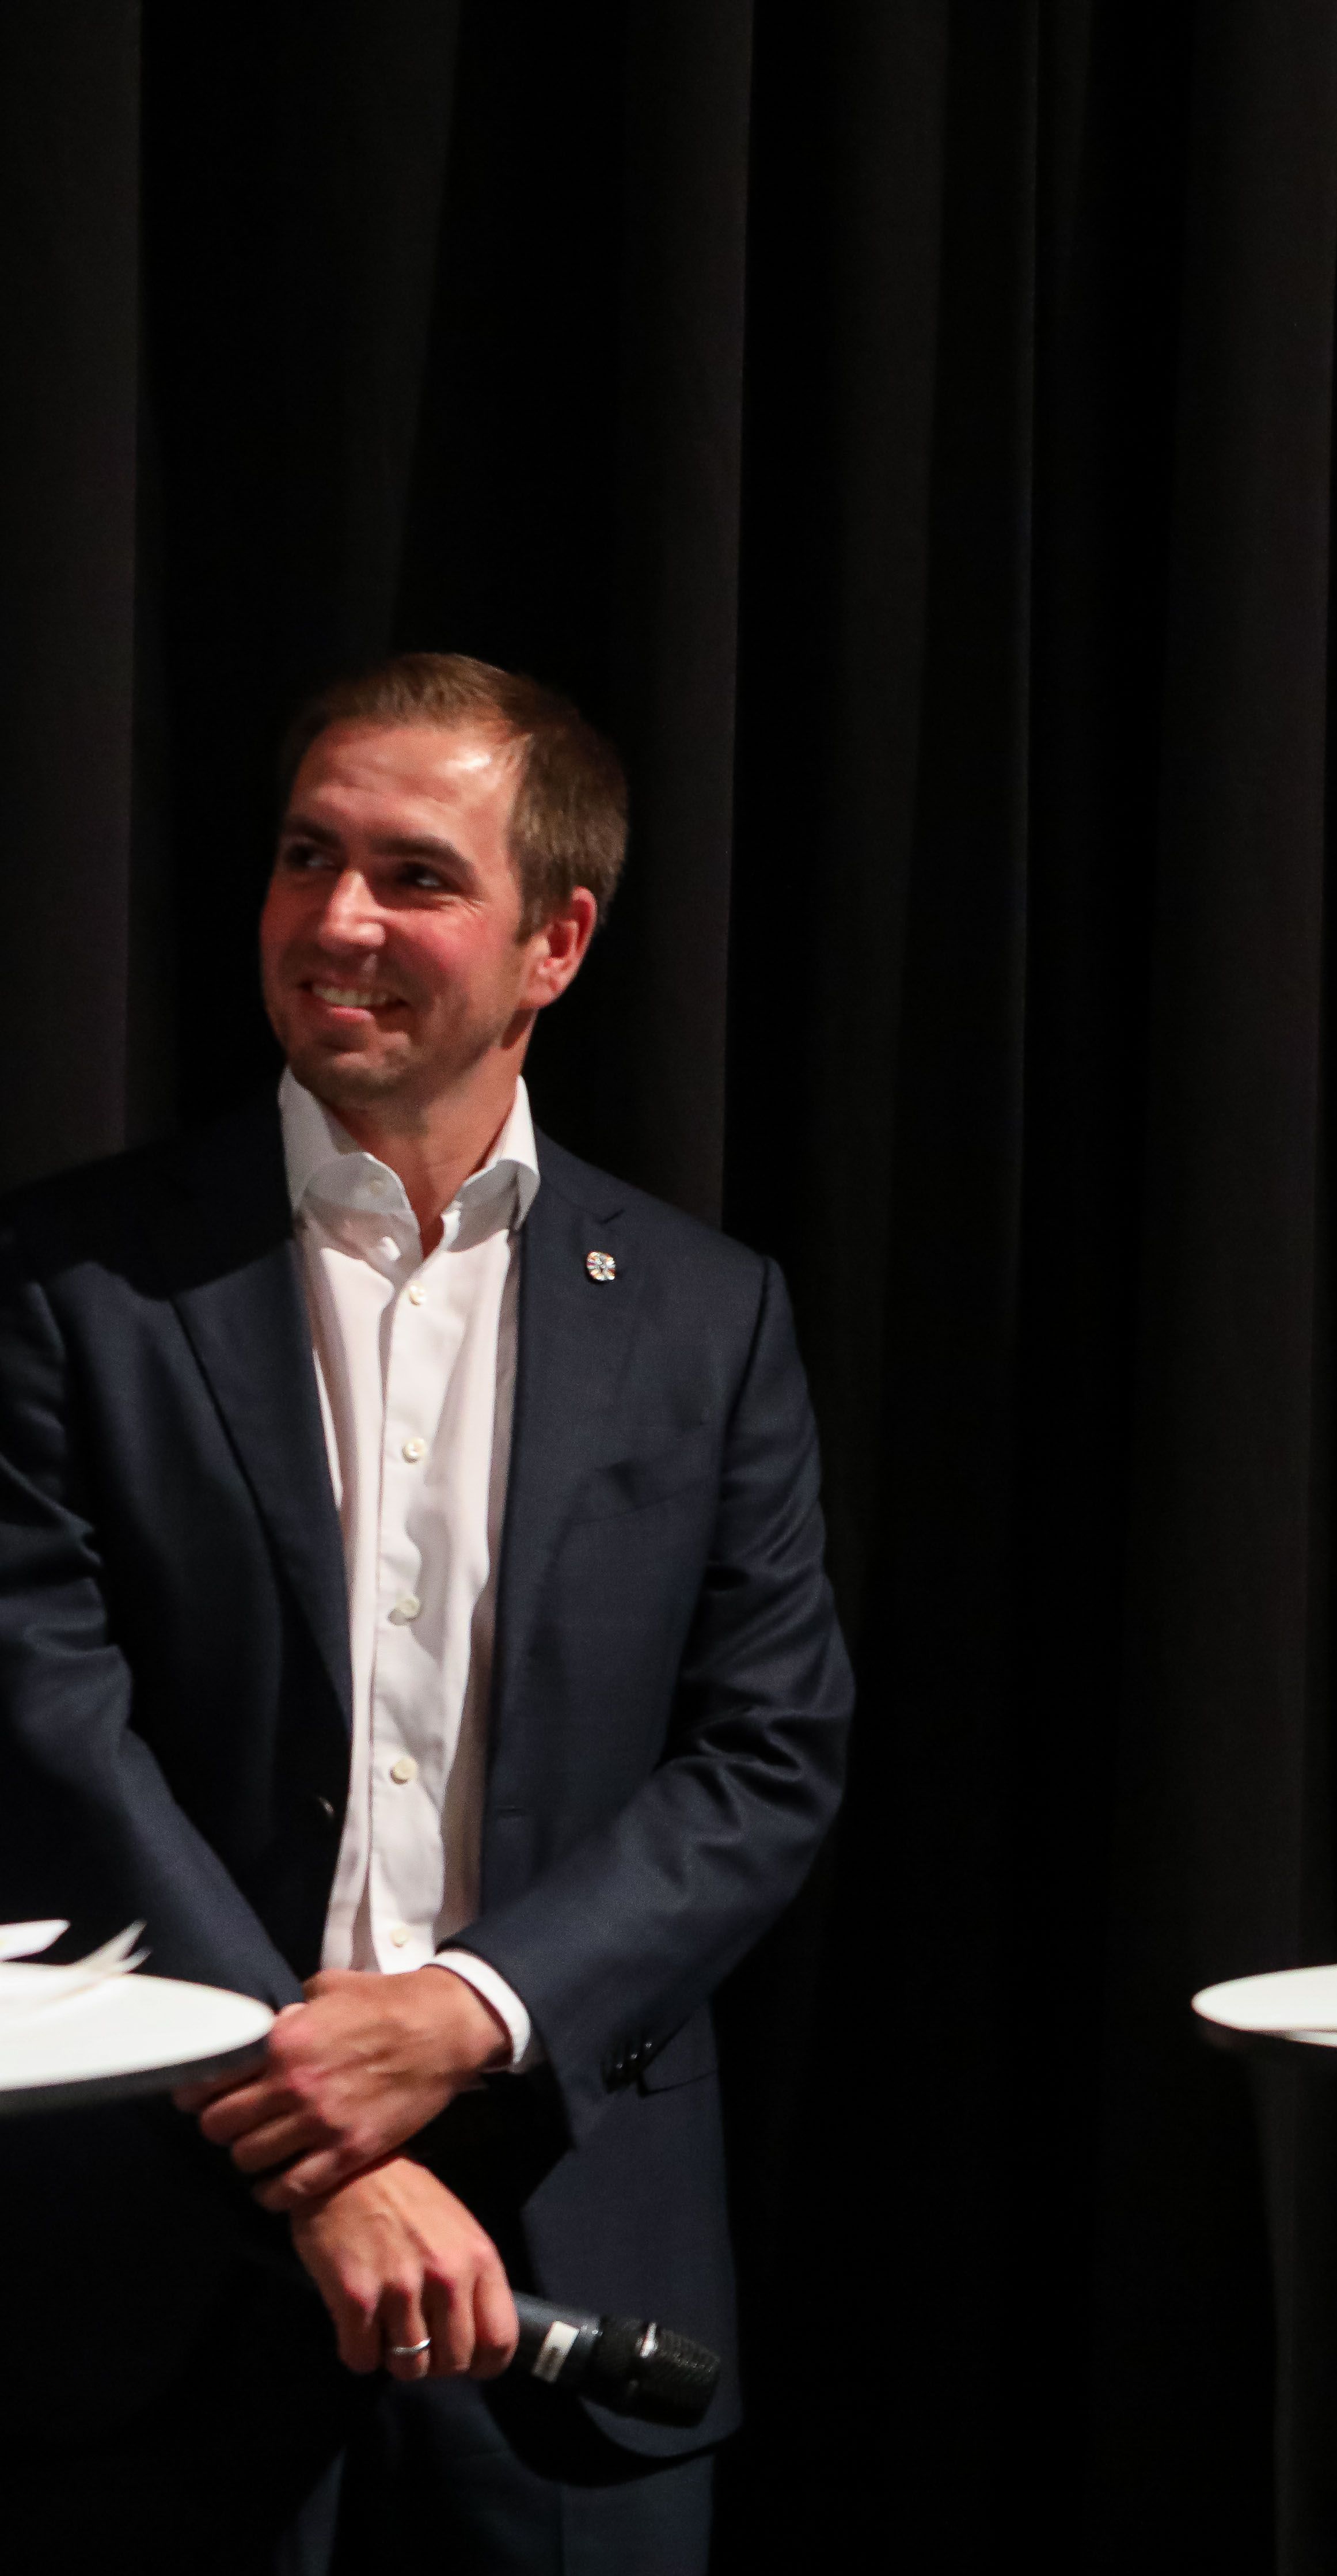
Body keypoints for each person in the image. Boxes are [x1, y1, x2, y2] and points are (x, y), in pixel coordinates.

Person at [0, 654, 856, 2569]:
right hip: (149, 2267)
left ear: (558, 939)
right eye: (308, 856)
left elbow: (767, 1753)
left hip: (572, 2270)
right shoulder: (67, 1284)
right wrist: (309, 2126)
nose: (336, 921)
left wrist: (465, 2015)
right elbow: (44, 1729)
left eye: (412, 874)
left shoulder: (708, 1316)